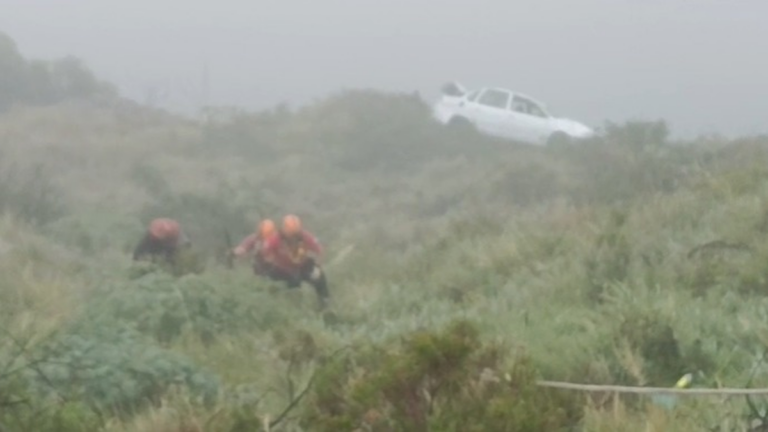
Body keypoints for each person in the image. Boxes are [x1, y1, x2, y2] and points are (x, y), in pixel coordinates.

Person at [260, 214, 330, 308]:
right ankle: (290, 308)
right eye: (291, 232)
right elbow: (265, 251)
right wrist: (271, 261)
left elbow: (319, 250)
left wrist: (318, 266)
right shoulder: (275, 238)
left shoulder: (304, 235)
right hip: (283, 269)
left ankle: (325, 303)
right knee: (290, 286)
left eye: (296, 232)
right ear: (285, 228)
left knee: (319, 277)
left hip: (302, 265)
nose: (294, 235)